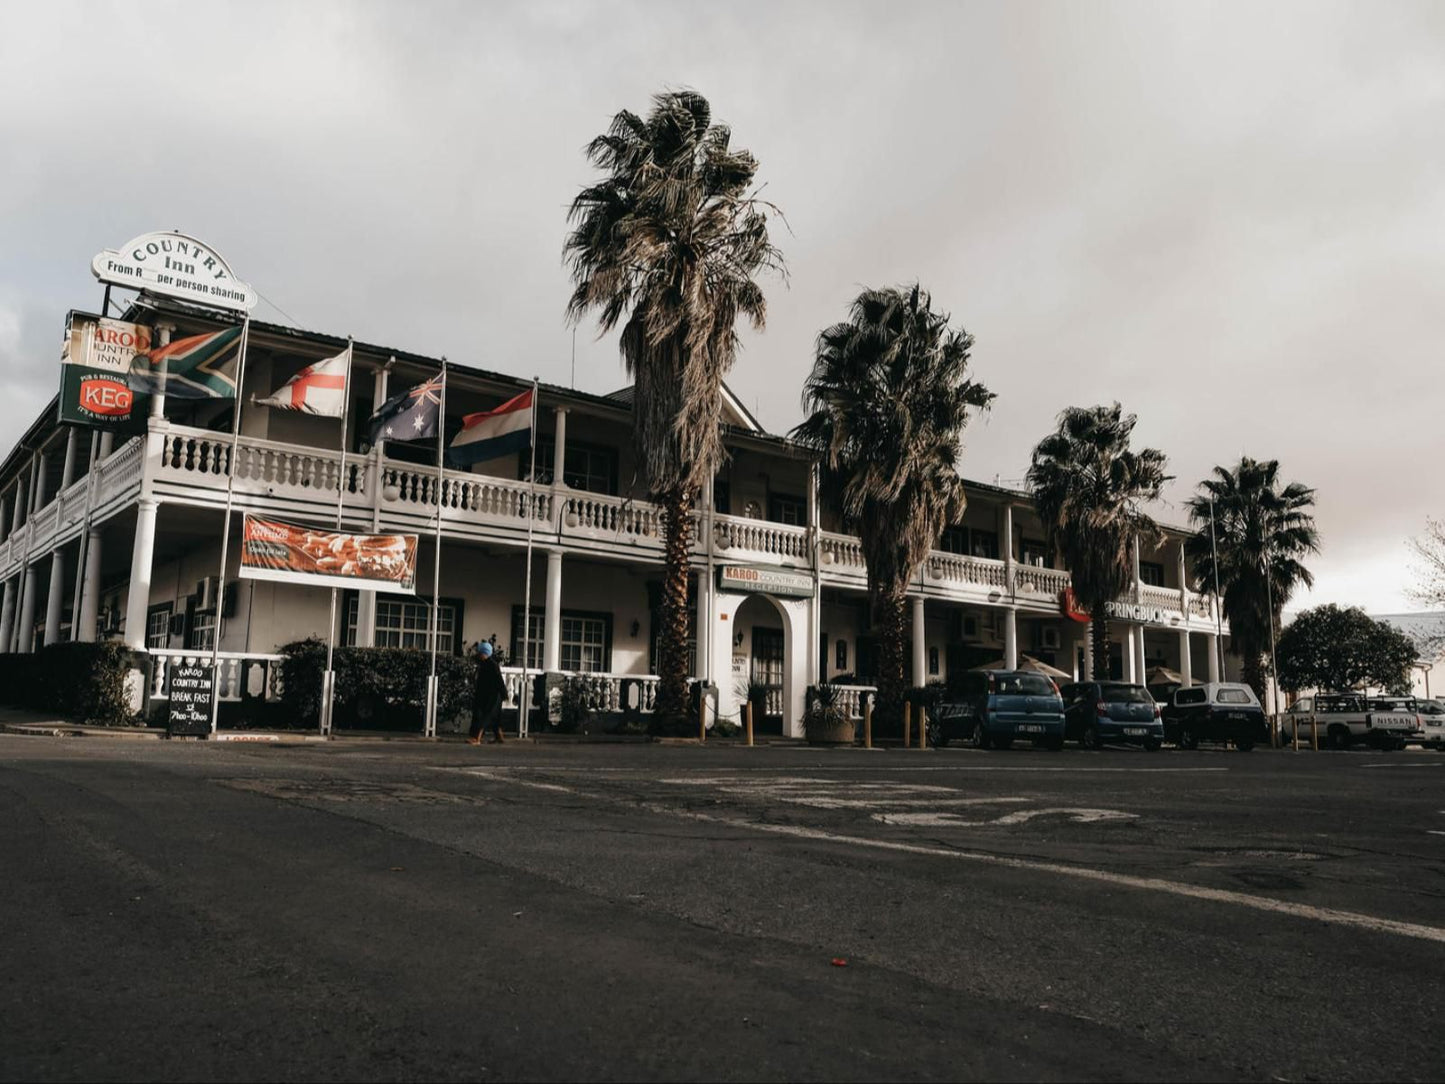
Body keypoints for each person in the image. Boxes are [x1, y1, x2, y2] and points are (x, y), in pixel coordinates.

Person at [468, 640, 507, 745]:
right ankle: (499, 737)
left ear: (484, 653)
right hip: (488, 694)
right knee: (495, 717)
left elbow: (499, 680)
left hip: (493, 696)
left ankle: (477, 738)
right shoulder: (484, 664)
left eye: (480, 653)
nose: (479, 655)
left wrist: (504, 693)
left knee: (484, 716)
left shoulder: (492, 665)